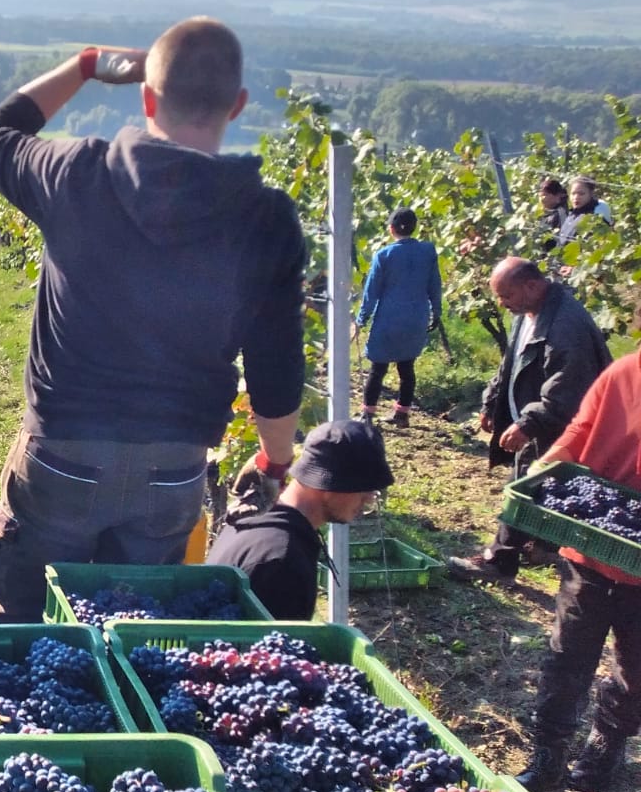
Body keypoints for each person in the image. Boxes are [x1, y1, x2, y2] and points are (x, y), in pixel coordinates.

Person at [0, 17, 306, 623]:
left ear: (147, 97)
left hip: (60, 455)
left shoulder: (75, 174)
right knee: (132, 631)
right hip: (173, 470)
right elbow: (275, 369)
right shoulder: (266, 219)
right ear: (237, 106)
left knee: (26, 633)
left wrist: (84, 66)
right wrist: (276, 461)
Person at [515, 339, 641, 792]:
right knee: (565, 663)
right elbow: (578, 433)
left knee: (636, 676)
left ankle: (606, 742)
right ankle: (546, 764)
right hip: (590, 555)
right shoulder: (623, 373)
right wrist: (541, 477)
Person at [448, 257, 610, 585]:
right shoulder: (529, 313)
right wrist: (492, 401)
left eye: (505, 295)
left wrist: (528, 423)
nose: (500, 303)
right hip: (541, 419)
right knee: (541, 485)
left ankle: (500, 560)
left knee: (522, 488)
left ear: (532, 286)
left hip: (560, 426)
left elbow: (568, 390)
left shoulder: (566, 326)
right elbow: (512, 360)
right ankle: (544, 546)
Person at [208, 419, 394, 620]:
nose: (368, 499)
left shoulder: (253, 518)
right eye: (363, 490)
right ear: (327, 485)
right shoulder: (283, 562)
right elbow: (272, 649)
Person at [356, 206, 442, 428]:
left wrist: (360, 319)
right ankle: (402, 414)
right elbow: (434, 285)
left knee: (377, 369)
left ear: (391, 229)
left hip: (389, 319)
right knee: (407, 367)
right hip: (416, 318)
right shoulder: (428, 251)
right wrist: (437, 311)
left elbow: (371, 291)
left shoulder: (384, 255)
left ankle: (367, 414)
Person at [556, 175, 613, 249]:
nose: (576, 197)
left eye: (581, 194)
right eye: (573, 193)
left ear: (591, 193)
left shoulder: (595, 216)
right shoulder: (571, 215)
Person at [537, 177, 569, 248]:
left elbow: (563, 239)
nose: (542, 199)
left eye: (545, 195)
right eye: (540, 196)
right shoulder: (545, 213)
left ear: (557, 196)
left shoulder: (560, 213)